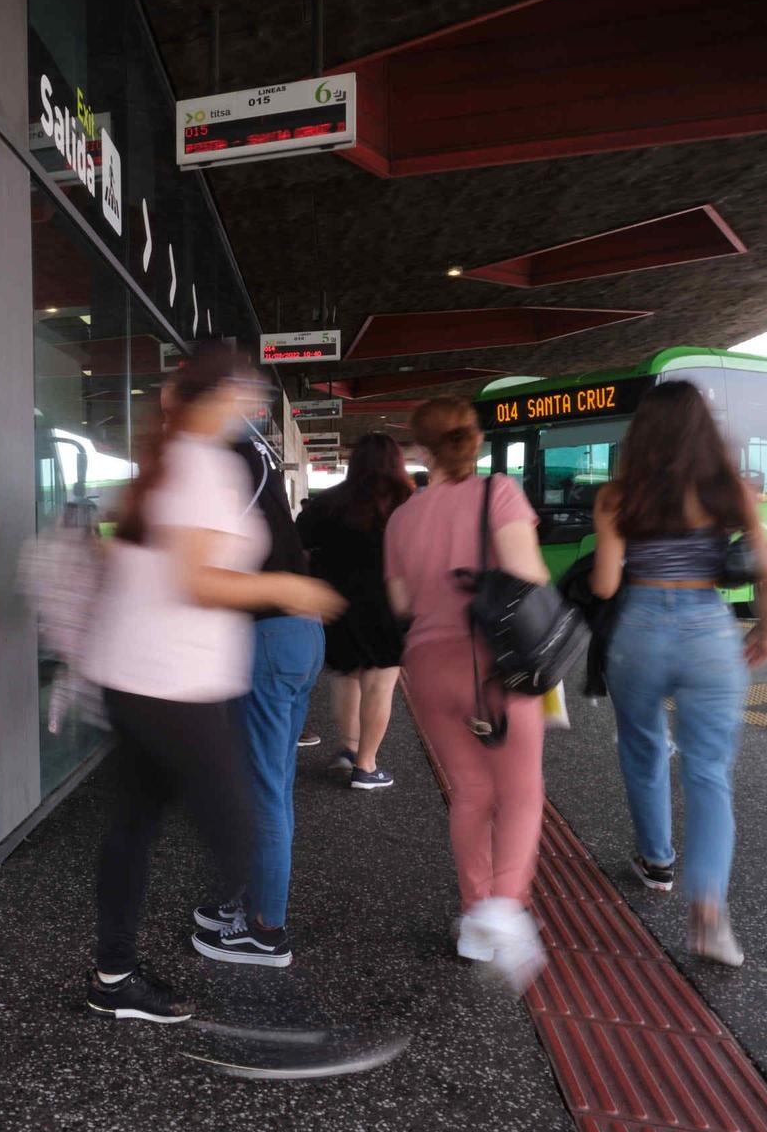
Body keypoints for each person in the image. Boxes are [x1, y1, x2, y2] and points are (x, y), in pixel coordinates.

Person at [82, 344, 342, 1015]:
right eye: (240, 392)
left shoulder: (166, 462)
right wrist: (289, 584)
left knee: (135, 827)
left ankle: (114, 979)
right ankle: (270, 1009)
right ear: (216, 397)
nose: (247, 405)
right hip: (174, 682)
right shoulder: (202, 465)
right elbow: (194, 577)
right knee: (236, 828)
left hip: (136, 673)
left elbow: (129, 556)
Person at [590, 379, 767, 967]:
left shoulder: (618, 496)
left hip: (640, 628)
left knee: (642, 747)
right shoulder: (731, 490)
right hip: (707, 630)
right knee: (709, 774)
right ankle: (708, 915)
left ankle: (656, 861)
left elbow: (604, 586)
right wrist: (764, 630)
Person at [385, 397, 550, 991]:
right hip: (494, 661)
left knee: (471, 792)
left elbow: (402, 605)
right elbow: (529, 577)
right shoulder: (498, 493)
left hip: (428, 666)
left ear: (421, 450)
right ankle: (503, 905)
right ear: (475, 440)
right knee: (521, 791)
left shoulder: (403, 517)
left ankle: (475, 920)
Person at [185, 408, 342, 967]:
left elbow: (205, 575)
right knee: (273, 781)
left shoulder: (221, 472)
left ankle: (265, 929)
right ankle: (255, 899)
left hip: (269, 642)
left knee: (262, 790)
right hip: (299, 636)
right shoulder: (262, 472)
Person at [297, 432, 414, 790]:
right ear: (397, 462)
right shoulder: (408, 503)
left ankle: (348, 749)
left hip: (337, 606)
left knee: (347, 676)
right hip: (388, 607)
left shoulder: (329, 502)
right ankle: (367, 765)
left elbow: (298, 546)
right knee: (379, 684)